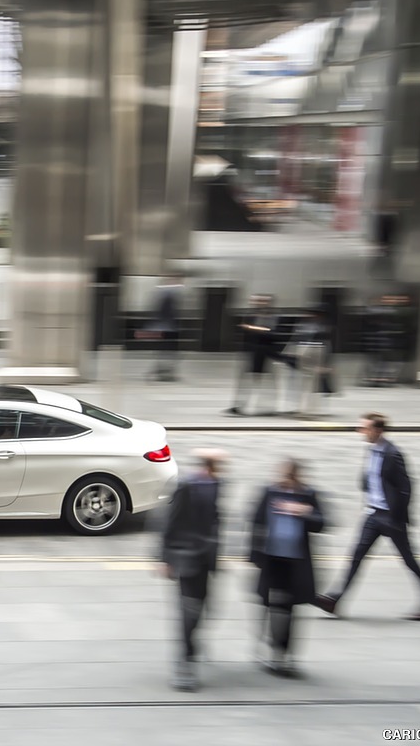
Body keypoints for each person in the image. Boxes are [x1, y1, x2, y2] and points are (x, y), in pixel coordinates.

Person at [314, 413, 420, 620]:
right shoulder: (371, 450)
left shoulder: (393, 454)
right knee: (356, 557)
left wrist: (397, 516)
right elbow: (371, 480)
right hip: (373, 514)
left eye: (365, 428)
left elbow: (406, 488)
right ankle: (334, 600)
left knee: (409, 559)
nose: (361, 432)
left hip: (391, 517)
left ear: (378, 430)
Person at [249, 458, 326, 678]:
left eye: (289, 477)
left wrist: (304, 512)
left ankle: (282, 652)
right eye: (282, 476)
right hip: (271, 561)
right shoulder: (269, 493)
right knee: (266, 606)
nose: (284, 481)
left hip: (295, 563)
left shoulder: (307, 495)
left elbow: (322, 523)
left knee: (287, 609)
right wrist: (254, 556)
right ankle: (266, 647)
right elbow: (255, 522)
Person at [158, 448, 226, 692]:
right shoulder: (187, 486)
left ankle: (192, 647)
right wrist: (164, 558)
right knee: (189, 611)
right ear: (209, 465)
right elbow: (168, 521)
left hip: (206, 560)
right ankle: (184, 664)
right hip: (185, 557)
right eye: (219, 465)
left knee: (205, 609)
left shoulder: (218, 485)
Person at [226, 294, 291, 416]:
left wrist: (255, 329)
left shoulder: (276, 317)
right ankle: (240, 406)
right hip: (252, 351)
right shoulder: (251, 316)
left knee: (267, 381)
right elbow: (244, 334)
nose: (259, 303)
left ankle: (267, 407)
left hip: (268, 352)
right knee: (247, 381)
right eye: (257, 301)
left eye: (262, 301)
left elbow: (276, 334)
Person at [140, 275, 182, 382]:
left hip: (164, 326)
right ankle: (164, 372)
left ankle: (163, 371)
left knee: (165, 351)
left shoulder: (163, 294)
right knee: (169, 350)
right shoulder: (168, 295)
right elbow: (168, 313)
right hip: (167, 327)